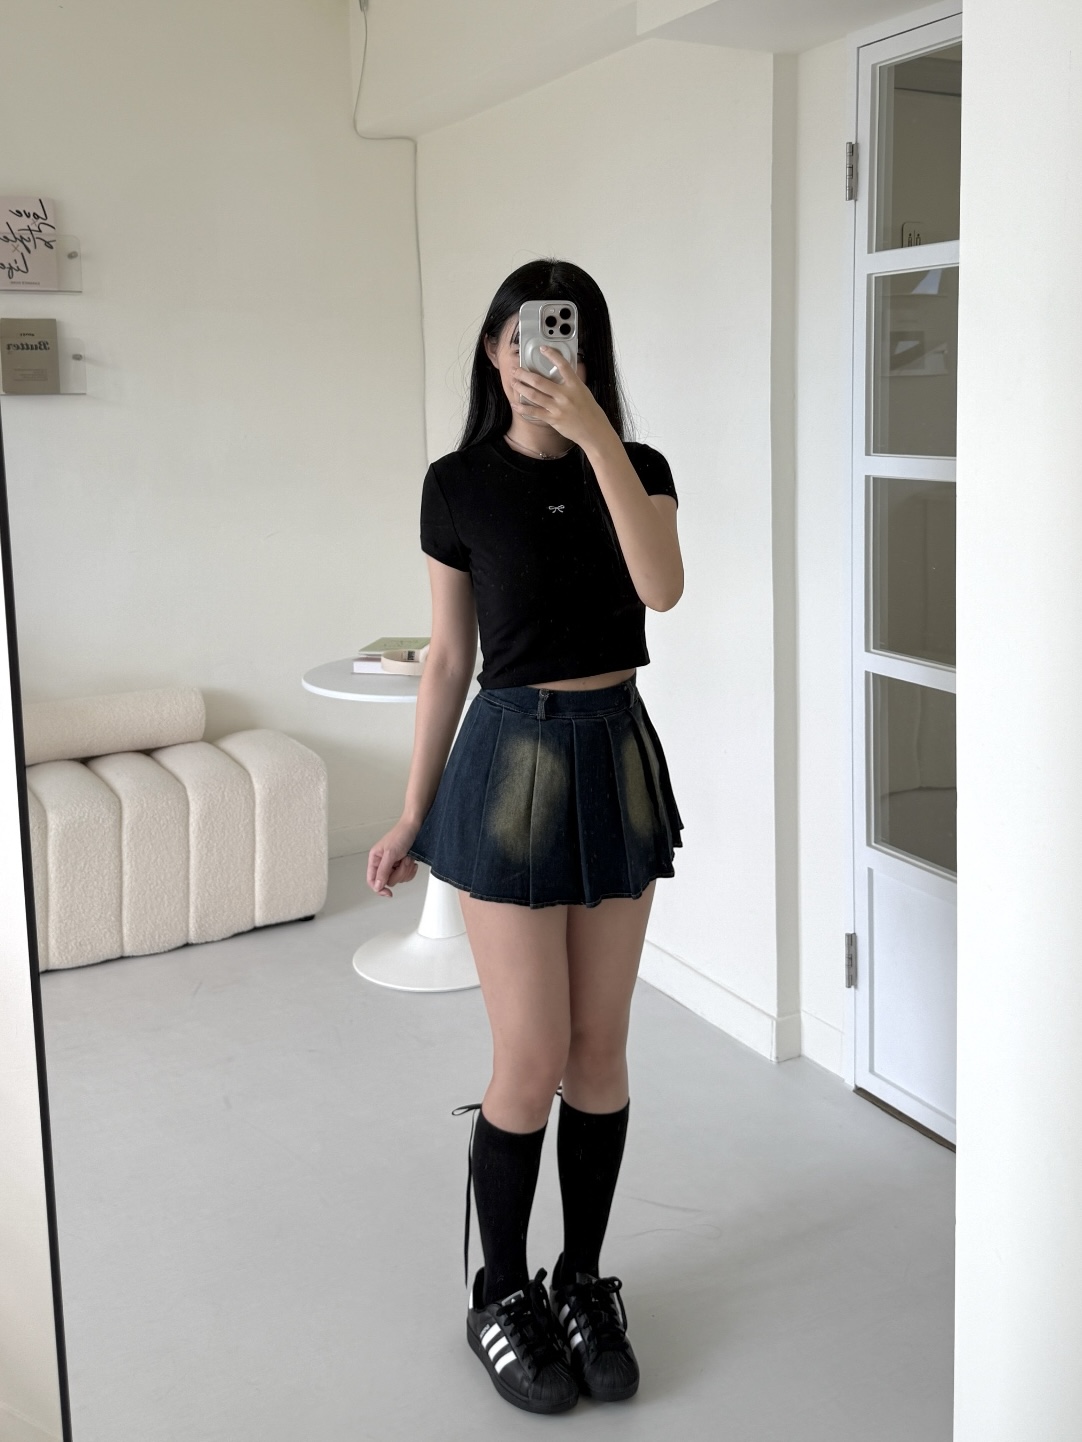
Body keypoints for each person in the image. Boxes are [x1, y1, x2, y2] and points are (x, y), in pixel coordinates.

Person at [367, 258, 684, 1415]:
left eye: (558, 336)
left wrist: (596, 439)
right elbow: (448, 657)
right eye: (516, 334)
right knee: (531, 1056)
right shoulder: (454, 485)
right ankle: (498, 1289)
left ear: (588, 355)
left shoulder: (637, 467)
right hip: (507, 762)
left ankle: (579, 1277)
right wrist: (413, 809)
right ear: (490, 347)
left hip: (612, 756)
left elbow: (661, 588)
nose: (533, 354)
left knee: (599, 1052)